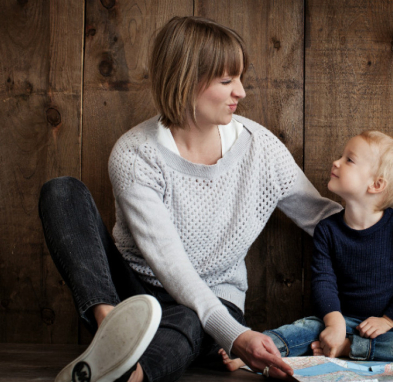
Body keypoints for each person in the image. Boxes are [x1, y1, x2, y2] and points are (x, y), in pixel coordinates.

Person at [38, 16, 341, 382]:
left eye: (240, 78)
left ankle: (127, 374)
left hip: (215, 300)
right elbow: (171, 265)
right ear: (185, 81)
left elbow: (323, 218)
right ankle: (112, 333)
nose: (241, 92)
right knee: (61, 192)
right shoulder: (135, 154)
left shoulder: (260, 149)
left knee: (189, 317)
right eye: (227, 81)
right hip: (132, 291)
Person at [221, 130, 393, 372]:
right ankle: (253, 352)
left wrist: (388, 320)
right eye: (341, 156)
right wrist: (334, 323)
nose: (336, 162)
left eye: (349, 160)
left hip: (387, 327)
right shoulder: (328, 229)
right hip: (339, 318)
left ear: (376, 184)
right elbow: (324, 281)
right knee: (303, 329)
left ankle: (346, 349)